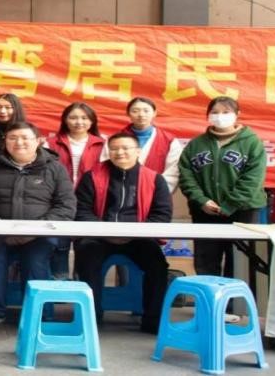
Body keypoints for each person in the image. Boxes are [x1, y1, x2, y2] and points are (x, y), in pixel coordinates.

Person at [0, 121, 76, 328]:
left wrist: (35, 231)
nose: (19, 142)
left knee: (36, 262)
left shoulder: (55, 168)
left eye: (25, 138)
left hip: (40, 235)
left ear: (38, 141)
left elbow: (66, 206)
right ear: (5, 142)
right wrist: (1, 228)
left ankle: (40, 313)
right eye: (13, 138)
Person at [73, 132, 172, 334]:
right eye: (114, 148)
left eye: (125, 148)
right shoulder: (92, 177)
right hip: (99, 236)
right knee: (86, 261)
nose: (120, 152)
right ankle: (91, 319)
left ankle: (153, 321)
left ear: (138, 151)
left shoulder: (154, 179)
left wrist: (134, 233)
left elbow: (161, 215)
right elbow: (82, 211)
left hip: (139, 238)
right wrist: (105, 232)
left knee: (158, 267)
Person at [179, 96, 267, 279]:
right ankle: (209, 296)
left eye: (226, 112)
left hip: (243, 211)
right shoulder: (196, 144)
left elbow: (253, 178)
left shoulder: (252, 143)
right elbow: (186, 175)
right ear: (208, 115)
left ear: (237, 114)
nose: (220, 116)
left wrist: (229, 205)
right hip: (206, 211)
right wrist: (201, 200)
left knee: (240, 261)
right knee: (206, 260)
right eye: (215, 112)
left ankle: (237, 297)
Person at [44, 102, 107, 280]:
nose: (79, 122)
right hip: (58, 201)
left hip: (90, 202)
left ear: (92, 121)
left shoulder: (103, 144)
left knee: (86, 245)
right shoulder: (50, 143)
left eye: (84, 118)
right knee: (60, 245)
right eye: (73, 117)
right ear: (65, 120)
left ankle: (82, 283)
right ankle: (60, 282)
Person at [121, 97, 183, 192]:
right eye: (135, 111)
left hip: (155, 191)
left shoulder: (169, 140)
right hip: (122, 191)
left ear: (154, 113)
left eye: (146, 111)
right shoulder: (115, 140)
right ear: (128, 114)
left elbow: (173, 171)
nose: (141, 115)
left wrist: (157, 190)